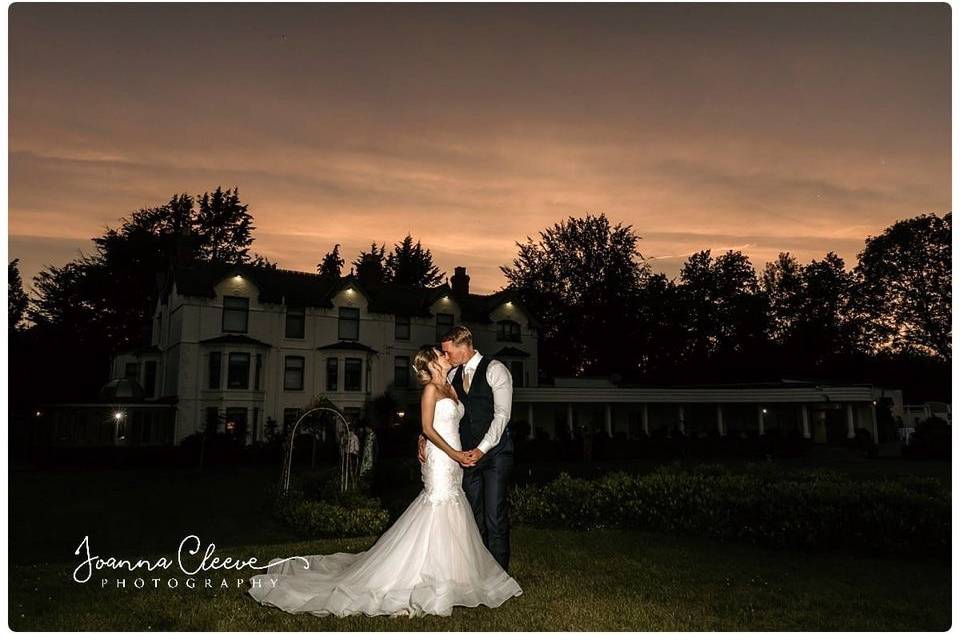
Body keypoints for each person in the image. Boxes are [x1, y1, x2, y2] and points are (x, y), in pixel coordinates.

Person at [247, 345, 522, 618]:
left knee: (455, 509)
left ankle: (456, 574)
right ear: (434, 363)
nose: (446, 356)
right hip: (442, 459)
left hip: (454, 460)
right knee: (439, 506)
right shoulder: (430, 390)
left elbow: (447, 422)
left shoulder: (451, 384)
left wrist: (445, 447)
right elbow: (427, 427)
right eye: (441, 354)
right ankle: (427, 576)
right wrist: (444, 449)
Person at [419, 325, 514, 571]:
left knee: (494, 515)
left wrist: (481, 450)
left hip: (494, 455)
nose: (445, 356)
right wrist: (422, 437)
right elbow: (437, 415)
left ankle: (500, 573)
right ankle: (480, 570)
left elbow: (501, 417)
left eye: (447, 351)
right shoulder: (450, 377)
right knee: (472, 517)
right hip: (462, 459)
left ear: (463, 346)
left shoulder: (496, 370)